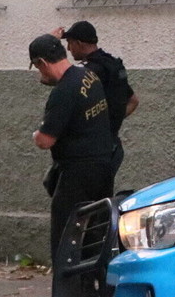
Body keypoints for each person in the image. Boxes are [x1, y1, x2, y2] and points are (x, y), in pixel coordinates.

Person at [29, 34, 114, 261]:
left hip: (77, 172)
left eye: (39, 68)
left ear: (42, 63)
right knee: (96, 234)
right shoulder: (88, 75)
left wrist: (36, 134)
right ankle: (92, 284)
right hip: (103, 166)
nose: (41, 74)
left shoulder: (64, 91)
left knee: (66, 236)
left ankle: (67, 290)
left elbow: (45, 140)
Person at [51, 21, 139, 177]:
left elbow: (51, 78)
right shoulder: (112, 64)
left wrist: (50, 44)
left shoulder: (89, 71)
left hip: (92, 155)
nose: (69, 49)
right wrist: (110, 123)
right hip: (113, 147)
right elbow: (133, 101)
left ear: (79, 43)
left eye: (70, 44)